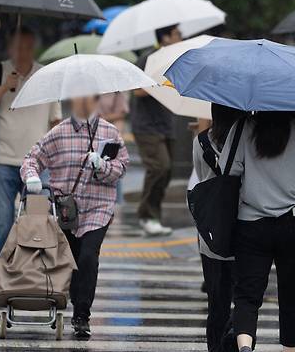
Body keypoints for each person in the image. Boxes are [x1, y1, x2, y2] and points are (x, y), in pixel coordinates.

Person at [220, 111, 295, 352]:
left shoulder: (244, 129)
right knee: (292, 293)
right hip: (293, 225)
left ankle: (244, 345)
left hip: (251, 222)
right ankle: (289, 350)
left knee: (247, 292)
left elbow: (227, 169)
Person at [21, 95, 129, 339]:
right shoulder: (58, 133)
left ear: (96, 100)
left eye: (90, 96)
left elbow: (122, 167)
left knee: (89, 256)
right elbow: (31, 159)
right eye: (79, 95)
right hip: (66, 209)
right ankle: (70, 296)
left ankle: (82, 314)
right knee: (72, 260)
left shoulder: (109, 133)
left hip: (98, 208)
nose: (84, 102)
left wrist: (102, 165)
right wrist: (32, 177)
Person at [0, 26, 61, 257]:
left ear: (34, 47)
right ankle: (4, 274)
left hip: (38, 165)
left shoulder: (47, 76)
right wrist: (4, 87)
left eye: (27, 46)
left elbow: (55, 120)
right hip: (2, 161)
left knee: (37, 225)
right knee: (2, 226)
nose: (22, 51)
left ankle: (32, 275)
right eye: (18, 46)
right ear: (10, 47)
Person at [192, 104, 245, 352]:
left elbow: (202, 177)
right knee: (244, 295)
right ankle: (235, 340)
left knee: (216, 298)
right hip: (243, 223)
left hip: (212, 228)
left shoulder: (200, 141)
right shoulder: (247, 139)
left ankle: (215, 346)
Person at [131, 24, 182, 236]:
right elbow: (136, 90)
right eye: (177, 34)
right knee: (160, 167)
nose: (181, 37)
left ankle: (153, 216)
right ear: (166, 37)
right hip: (147, 126)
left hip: (166, 123)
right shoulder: (149, 58)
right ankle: (146, 215)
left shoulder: (175, 59)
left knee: (167, 172)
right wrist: (158, 81)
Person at [98, 92, 129, 213]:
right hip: (91, 134)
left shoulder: (116, 93)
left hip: (109, 138)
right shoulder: (89, 91)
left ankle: (115, 205)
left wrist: (102, 119)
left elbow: (121, 114)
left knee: (114, 168)